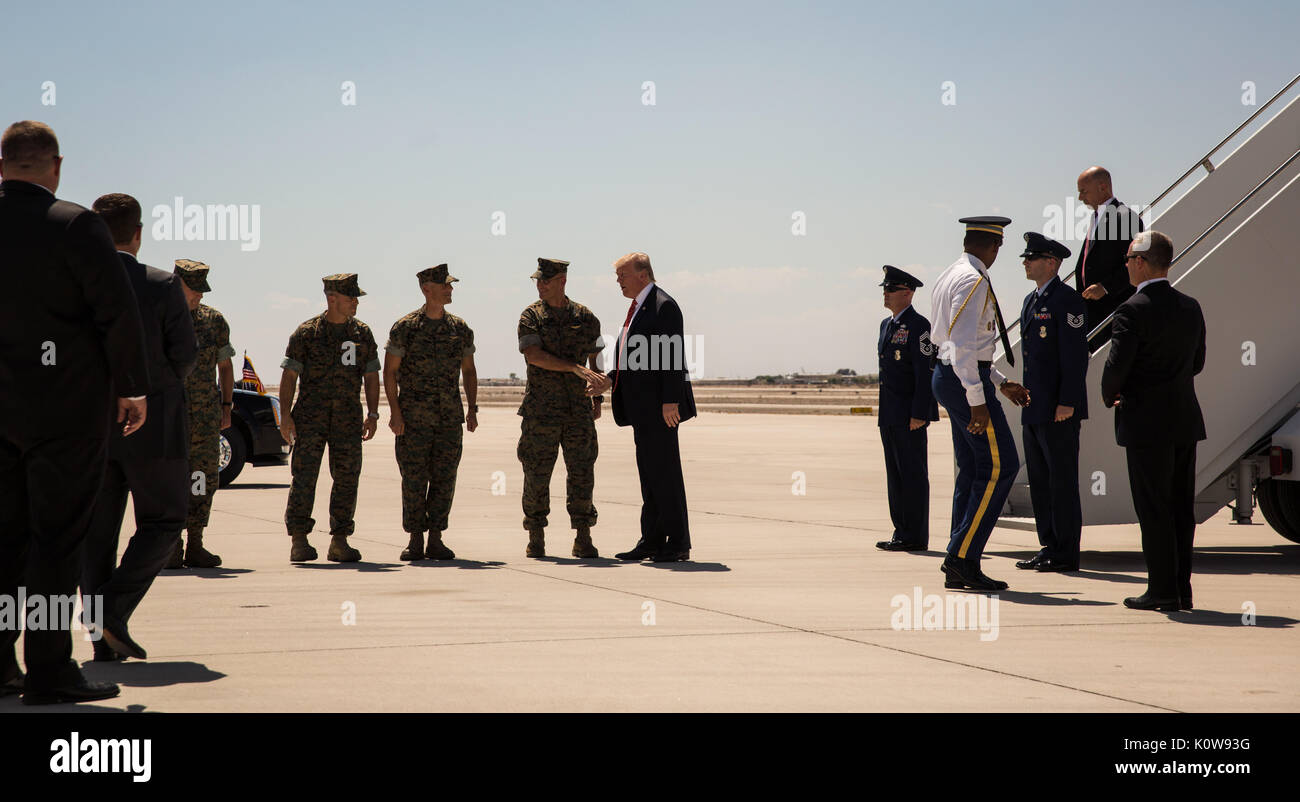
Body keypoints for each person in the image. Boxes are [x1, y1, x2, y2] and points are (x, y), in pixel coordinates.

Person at [0, 121, 148, 704]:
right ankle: (51, 670)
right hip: (63, 412)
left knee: (4, 540)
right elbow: (117, 312)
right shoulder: (76, 225)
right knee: (56, 541)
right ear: (55, 166)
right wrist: (132, 388)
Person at [80, 195, 197, 663]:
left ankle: (100, 638)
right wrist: (151, 389)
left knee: (96, 533)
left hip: (93, 425)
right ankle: (112, 611)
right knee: (166, 520)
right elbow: (185, 354)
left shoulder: (76, 284)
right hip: (157, 426)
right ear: (139, 232)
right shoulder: (162, 284)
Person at [1101, 231, 1205, 611]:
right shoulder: (1190, 306)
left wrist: (1109, 392)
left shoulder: (1132, 309)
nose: (1126, 264)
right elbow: (1197, 363)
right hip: (1183, 420)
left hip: (1147, 423)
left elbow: (1116, 370)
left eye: (1128, 258)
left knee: (1154, 508)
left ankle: (1161, 590)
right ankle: (1181, 589)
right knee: (1180, 508)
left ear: (1141, 262)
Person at [929, 217, 1026, 591]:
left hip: (955, 377)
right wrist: (977, 399)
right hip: (962, 380)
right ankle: (961, 557)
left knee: (972, 467)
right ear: (993, 247)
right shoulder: (973, 280)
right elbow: (964, 346)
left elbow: (963, 347)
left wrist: (998, 382)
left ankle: (960, 554)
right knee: (1001, 466)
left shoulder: (952, 273)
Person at [590, 252, 697, 563]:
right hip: (643, 410)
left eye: (622, 275)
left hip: (659, 410)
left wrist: (670, 402)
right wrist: (610, 380)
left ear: (642, 274)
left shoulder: (663, 306)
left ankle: (677, 543)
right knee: (651, 477)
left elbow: (672, 356)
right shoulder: (637, 309)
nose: (618, 281)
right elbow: (636, 360)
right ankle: (651, 540)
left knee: (665, 476)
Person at [280, 274, 381, 563]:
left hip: (348, 419)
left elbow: (371, 377)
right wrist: (285, 416)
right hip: (310, 418)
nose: (356, 303)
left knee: (347, 477)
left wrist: (373, 414)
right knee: (304, 477)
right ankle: (299, 540)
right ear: (332, 298)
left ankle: (340, 540)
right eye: (351, 298)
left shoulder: (362, 334)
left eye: (357, 298)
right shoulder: (307, 333)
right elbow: (289, 377)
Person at [384, 264, 478, 561]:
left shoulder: (459, 328)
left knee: (444, 478)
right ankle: (415, 539)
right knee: (413, 478)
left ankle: (436, 538)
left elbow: (469, 370)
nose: (450, 290)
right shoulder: (406, 327)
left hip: (449, 418)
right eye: (445, 285)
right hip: (413, 419)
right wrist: (395, 413)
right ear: (427, 289)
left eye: (451, 285)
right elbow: (390, 373)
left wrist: (472, 408)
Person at [516, 258, 605, 558]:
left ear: (562, 280)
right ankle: (536, 535)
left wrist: (598, 397)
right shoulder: (531, 316)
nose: (540, 285)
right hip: (540, 410)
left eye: (546, 280)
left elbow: (597, 358)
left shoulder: (586, 317)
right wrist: (574, 369)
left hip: (578, 411)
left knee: (582, 472)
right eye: (538, 281)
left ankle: (583, 536)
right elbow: (533, 356)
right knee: (537, 473)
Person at [1010, 232, 1088, 573]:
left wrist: (1067, 401)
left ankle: (1066, 551)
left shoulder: (1067, 300)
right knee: (1041, 482)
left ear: (1052, 263)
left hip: (1059, 409)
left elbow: (1074, 356)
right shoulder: (1031, 300)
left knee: (1061, 482)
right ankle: (1049, 546)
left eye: (1032, 257)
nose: (1025, 262)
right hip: (1035, 407)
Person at [171, 259, 234, 569]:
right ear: (175, 284)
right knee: (170, 480)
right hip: (170, 416)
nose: (199, 296)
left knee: (202, 479)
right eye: (193, 290)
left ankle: (195, 543)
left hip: (206, 418)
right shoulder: (159, 318)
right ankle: (170, 545)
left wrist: (226, 406)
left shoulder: (214, 321)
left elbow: (225, 366)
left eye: (201, 291)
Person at [874, 265, 939, 552]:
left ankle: (914, 534)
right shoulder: (886, 325)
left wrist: (920, 412)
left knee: (912, 474)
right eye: (884, 289)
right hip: (889, 412)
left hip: (909, 414)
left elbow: (924, 372)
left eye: (891, 289)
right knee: (895, 475)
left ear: (908, 293)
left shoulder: (920, 325)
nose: (885, 294)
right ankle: (901, 530)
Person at [1074, 166, 1144, 347]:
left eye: (1084, 191)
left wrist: (1105, 287)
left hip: (1112, 313)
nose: (1080, 198)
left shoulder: (1125, 217)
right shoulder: (1096, 217)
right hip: (1093, 314)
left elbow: (1136, 264)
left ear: (1102, 187)